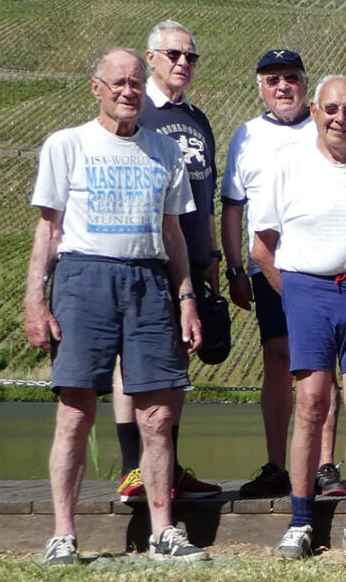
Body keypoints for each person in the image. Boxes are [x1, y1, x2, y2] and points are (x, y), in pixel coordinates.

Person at [25, 48, 209, 564]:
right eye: (118, 83)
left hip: (149, 280)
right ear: (97, 88)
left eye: (135, 83)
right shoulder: (67, 144)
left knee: (157, 415)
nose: (128, 91)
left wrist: (187, 298)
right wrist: (35, 298)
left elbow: (173, 233)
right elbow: (49, 229)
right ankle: (63, 535)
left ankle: (163, 531)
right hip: (84, 277)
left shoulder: (164, 151)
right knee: (75, 411)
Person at [252, 76, 346, 560]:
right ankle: (300, 521)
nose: (341, 118)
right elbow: (261, 248)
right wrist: (294, 296)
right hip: (308, 292)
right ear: (315, 111)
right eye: (332, 109)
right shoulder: (287, 164)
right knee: (312, 404)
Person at [221, 50, 346, 498]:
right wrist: (235, 268)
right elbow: (233, 206)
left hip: (323, 265)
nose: (282, 87)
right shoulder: (247, 135)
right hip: (270, 263)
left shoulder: (326, 127)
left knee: (322, 363)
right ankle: (277, 465)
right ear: (260, 87)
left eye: (290, 78)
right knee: (277, 357)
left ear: (305, 84)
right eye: (272, 80)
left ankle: (325, 466)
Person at [113, 20, 221, 505]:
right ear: (151, 57)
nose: (183, 63)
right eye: (174, 54)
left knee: (178, 361)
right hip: (144, 254)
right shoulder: (139, 111)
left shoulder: (198, 119)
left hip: (190, 255)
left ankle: (168, 469)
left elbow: (207, 195)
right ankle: (132, 469)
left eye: (190, 56)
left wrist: (211, 255)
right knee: (132, 361)